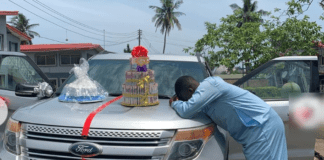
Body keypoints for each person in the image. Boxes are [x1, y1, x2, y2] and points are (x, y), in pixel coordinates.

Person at [169, 76, 287, 160]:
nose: (191, 102)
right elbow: (215, 131)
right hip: (254, 133)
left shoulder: (211, 85)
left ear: (190, 90)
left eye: (188, 99)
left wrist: (174, 103)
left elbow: (186, 111)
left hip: (263, 128)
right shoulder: (206, 104)